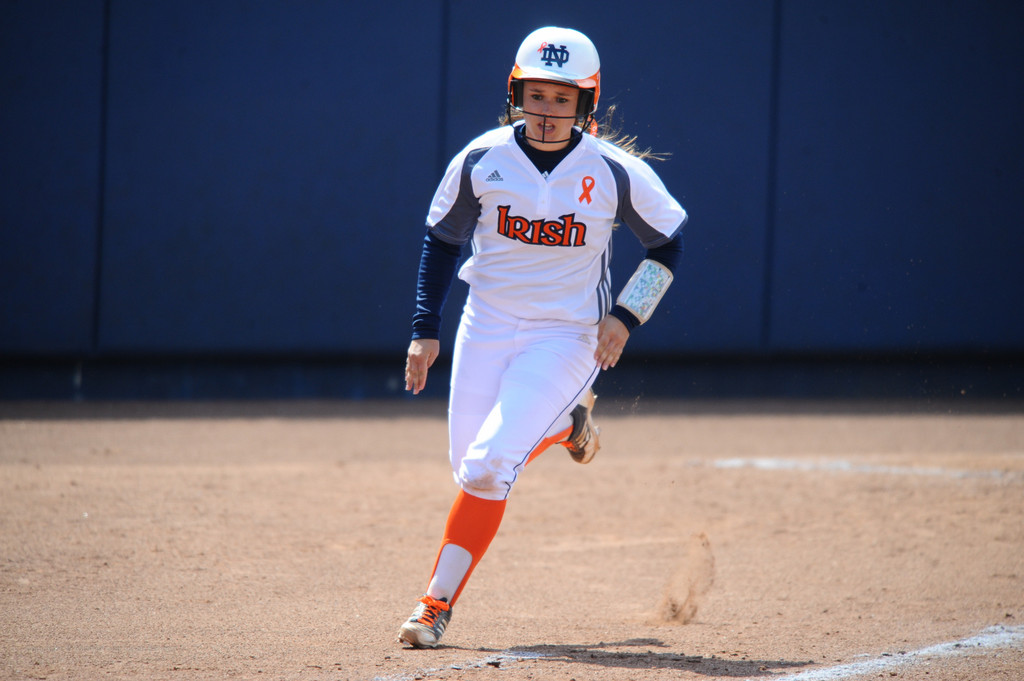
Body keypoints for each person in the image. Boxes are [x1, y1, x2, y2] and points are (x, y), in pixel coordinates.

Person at [398, 26, 687, 648]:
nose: (547, 111)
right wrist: (426, 330)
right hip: (487, 324)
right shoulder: (481, 159)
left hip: (567, 334)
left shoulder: (614, 170)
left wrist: (626, 318)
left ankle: (433, 607)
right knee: (471, 469)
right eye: (536, 95)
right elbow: (442, 241)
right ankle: (566, 426)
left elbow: (667, 248)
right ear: (515, 93)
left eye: (563, 99)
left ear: (586, 103)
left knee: (488, 466)